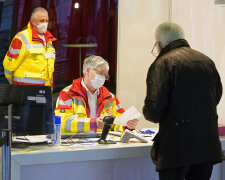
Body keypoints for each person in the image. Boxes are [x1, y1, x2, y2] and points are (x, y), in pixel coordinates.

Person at [143, 22, 224, 180]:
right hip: (206, 145)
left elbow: (154, 111)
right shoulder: (206, 61)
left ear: (159, 45)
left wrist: (146, 111)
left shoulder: (162, 63)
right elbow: (217, 96)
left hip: (176, 148)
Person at [55, 55, 138, 133]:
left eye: (105, 76)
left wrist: (127, 125)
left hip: (101, 143)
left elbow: (117, 121)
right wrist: (92, 124)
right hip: (74, 144)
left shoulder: (110, 97)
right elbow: (62, 122)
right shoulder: (68, 94)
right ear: (87, 71)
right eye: (100, 73)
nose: (102, 78)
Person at [3, 7, 56, 87]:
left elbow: (49, 69)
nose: (45, 23)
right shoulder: (21, 38)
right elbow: (9, 66)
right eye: (41, 21)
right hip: (24, 90)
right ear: (33, 22)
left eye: (47, 21)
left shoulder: (49, 40)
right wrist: (14, 84)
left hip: (44, 90)